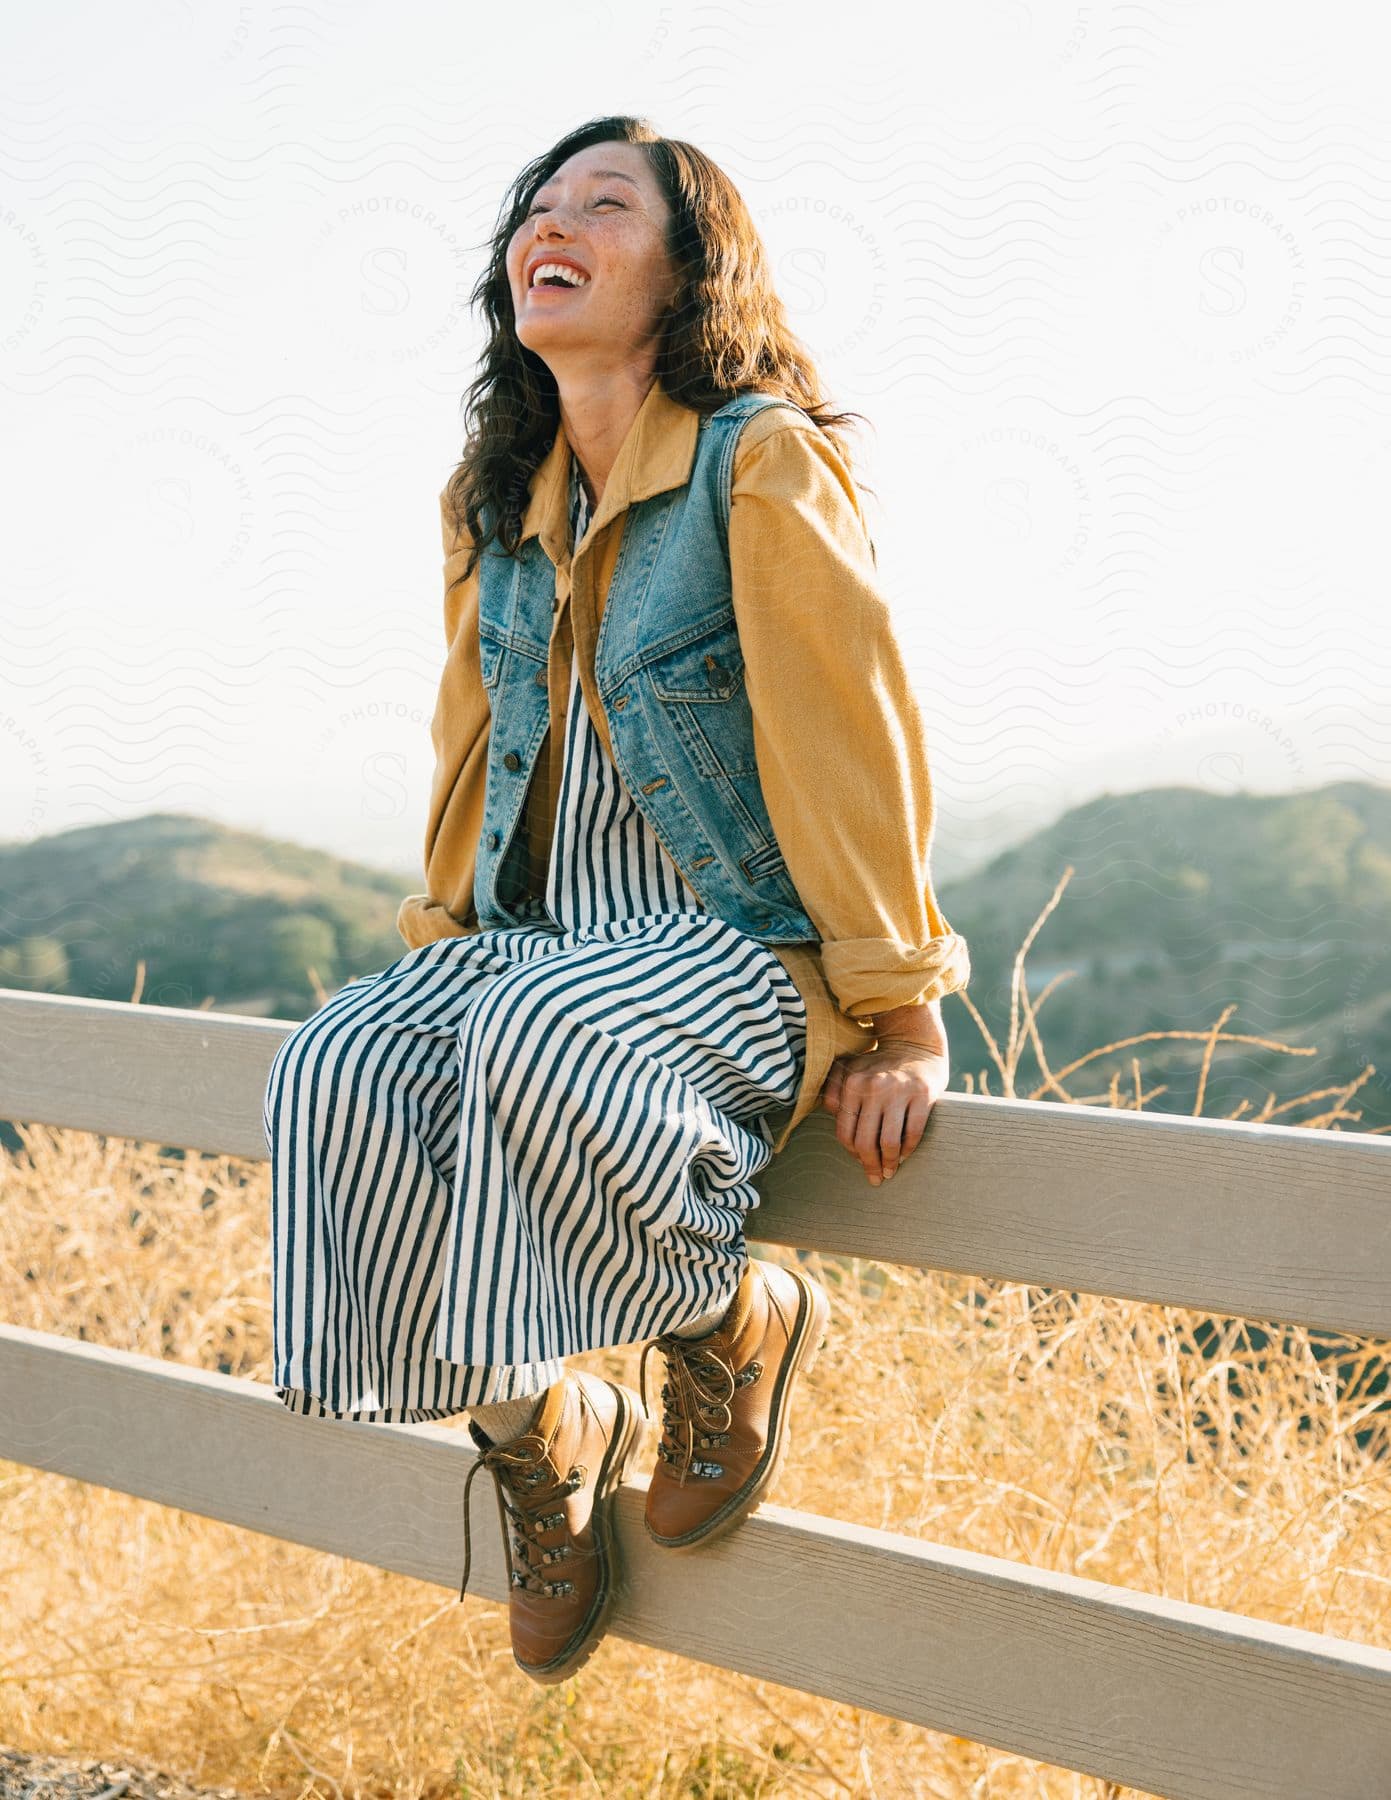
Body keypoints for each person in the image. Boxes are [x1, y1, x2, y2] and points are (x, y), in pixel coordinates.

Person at [262, 115, 971, 1686]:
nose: (549, 224)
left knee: (532, 1031)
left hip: (730, 946)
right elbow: (471, 748)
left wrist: (902, 1012)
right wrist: (425, 969)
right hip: (532, 944)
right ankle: (543, 1424)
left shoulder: (759, 460)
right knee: (336, 1072)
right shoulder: (492, 498)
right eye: (537, 205)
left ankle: (726, 1324)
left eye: (602, 203)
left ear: (686, 266)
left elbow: (848, 728)